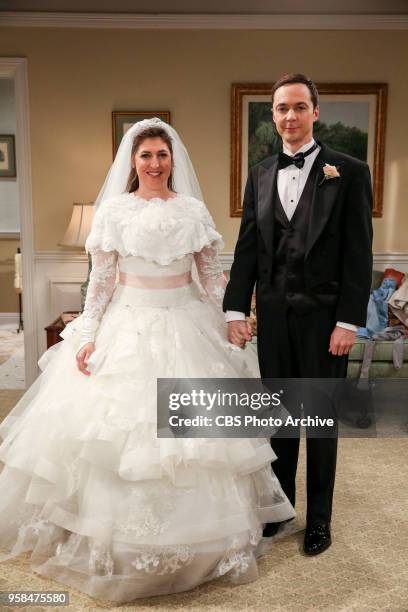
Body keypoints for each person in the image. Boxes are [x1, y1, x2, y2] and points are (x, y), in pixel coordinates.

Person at [0, 118, 294, 603]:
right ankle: (116, 542)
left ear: (172, 159)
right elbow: (101, 281)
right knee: (121, 438)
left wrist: (230, 318)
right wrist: (89, 332)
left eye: (161, 155)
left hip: (186, 321)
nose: (155, 164)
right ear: (132, 163)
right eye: (145, 156)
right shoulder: (114, 212)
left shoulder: (193, 211)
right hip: (130, 323)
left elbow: (210, 277)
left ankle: (206, 540)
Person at [223, 74, 373, 555]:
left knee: (321, 422)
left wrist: (348, 322)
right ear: (273, 116)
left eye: (299, 107)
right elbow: (247, 248)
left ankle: (320, 521)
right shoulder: (262, 171)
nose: (290, 116)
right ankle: (282, 510)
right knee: (281, 418)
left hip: (326, 322)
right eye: (281, 108)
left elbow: (358, 253)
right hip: (273, 318)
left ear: (315, 112)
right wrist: (234, 308)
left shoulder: (348, 171)